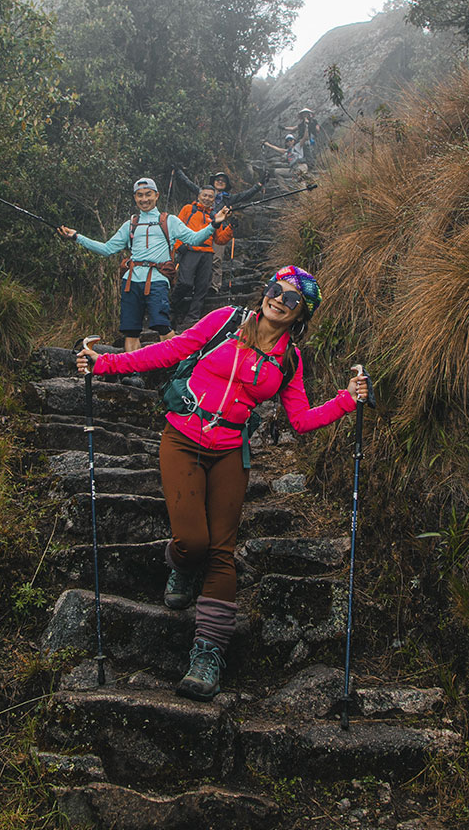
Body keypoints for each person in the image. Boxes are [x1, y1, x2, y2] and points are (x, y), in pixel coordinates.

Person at [76, 265, 370, 701]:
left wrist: (348, 399)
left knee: (221, 551)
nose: (278, 299)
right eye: (275, 289)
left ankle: (207, 655)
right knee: (193, 542)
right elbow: (172, 350)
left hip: (232, 450)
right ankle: (179, 563)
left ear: (301, 313)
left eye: (291, 298)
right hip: (182, 437)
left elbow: (301, 421)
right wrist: (107, 364)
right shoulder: (227, 321)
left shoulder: (289, 360)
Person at [58, 178, 230, 352]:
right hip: (130, 281)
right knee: (131, 331)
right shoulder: (131, 224)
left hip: (157, 281)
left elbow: (194, 239)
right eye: (140, 195)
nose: (144, 199)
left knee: (163, 326)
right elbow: (107, 249)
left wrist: (214, 224)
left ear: (156, 196)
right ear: (135, 198)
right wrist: (77, 237)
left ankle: (173, 367)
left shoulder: (169, 220)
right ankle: (132, 373)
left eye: (148, 194)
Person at [175, 168, 266, 294]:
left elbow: (246, 195)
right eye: (218, 179)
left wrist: (259, 185)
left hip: (218, 231)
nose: (220, 182)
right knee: (193, 258)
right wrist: (178, 172)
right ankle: (193, 286)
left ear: (226, 185)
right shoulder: (204, 193)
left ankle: (214, 286)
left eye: (223, 181)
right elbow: (188, 184)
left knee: (216, 259)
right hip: (198, 231)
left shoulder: (229, 199)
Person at [173, 186, 234, 329]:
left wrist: (230, 228)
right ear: (199, 196)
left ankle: (192, 318)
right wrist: (178, 245)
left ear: (214, 200)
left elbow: (219, 239)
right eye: (204, 195)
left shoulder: (214, 215)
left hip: (207, 253)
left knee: (202, 287)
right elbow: (176, 227)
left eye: (210, 197)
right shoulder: (188, 209)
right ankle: (173, 306)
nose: (207, 199)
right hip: (189, 250)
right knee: (185, 283)